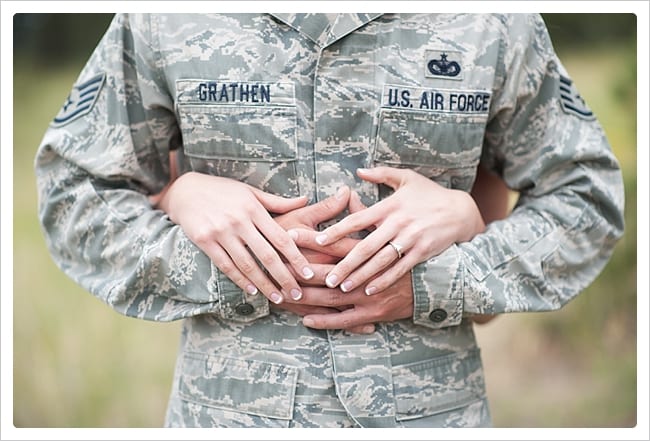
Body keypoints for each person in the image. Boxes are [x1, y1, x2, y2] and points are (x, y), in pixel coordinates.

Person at [35, 13, 624, 428]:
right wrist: (228, 261)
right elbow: (75, 191)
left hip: (432, 415)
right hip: (227, 415)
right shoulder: (165, 19)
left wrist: (443, 273)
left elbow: (584, 196)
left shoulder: (493, 21)